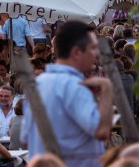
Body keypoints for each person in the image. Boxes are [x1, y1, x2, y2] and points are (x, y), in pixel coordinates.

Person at [21, 20, 113, 167]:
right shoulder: (75, 86)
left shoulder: (37, 85)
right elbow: (102, 131)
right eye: (93, 48)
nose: (97, 53)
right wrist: (107, 89)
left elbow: (26, 140)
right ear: (77, 52)